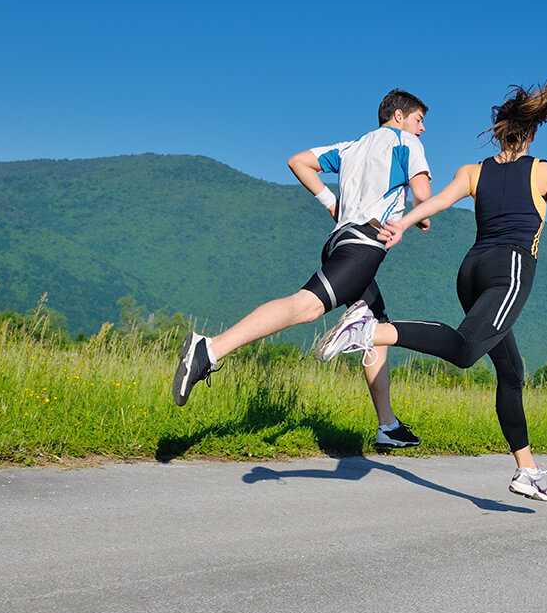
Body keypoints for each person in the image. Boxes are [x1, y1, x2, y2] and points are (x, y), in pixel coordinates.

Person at [316, 75, 547, 501]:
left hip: (470, 272)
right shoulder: (546, 172)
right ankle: (370, 331)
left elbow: (436, 201)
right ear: (529, 132)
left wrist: (400, 221)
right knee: (463, 350)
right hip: (509, 270)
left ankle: (526, 469)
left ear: (499, 131)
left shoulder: (473, 172)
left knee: (511, 372)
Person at [170, 89, 433, 451]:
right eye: (419, 120)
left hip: (339, 241)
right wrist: (422, 217)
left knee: (375, 327)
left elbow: (298, 161)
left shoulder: (352, 148)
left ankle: (387, 424)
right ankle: (210, 348)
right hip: (364, 246)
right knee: (306, 307)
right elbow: (422, 192)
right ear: (399, 116)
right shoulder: (405, 142)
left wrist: (331, 203)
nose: (422, 130)